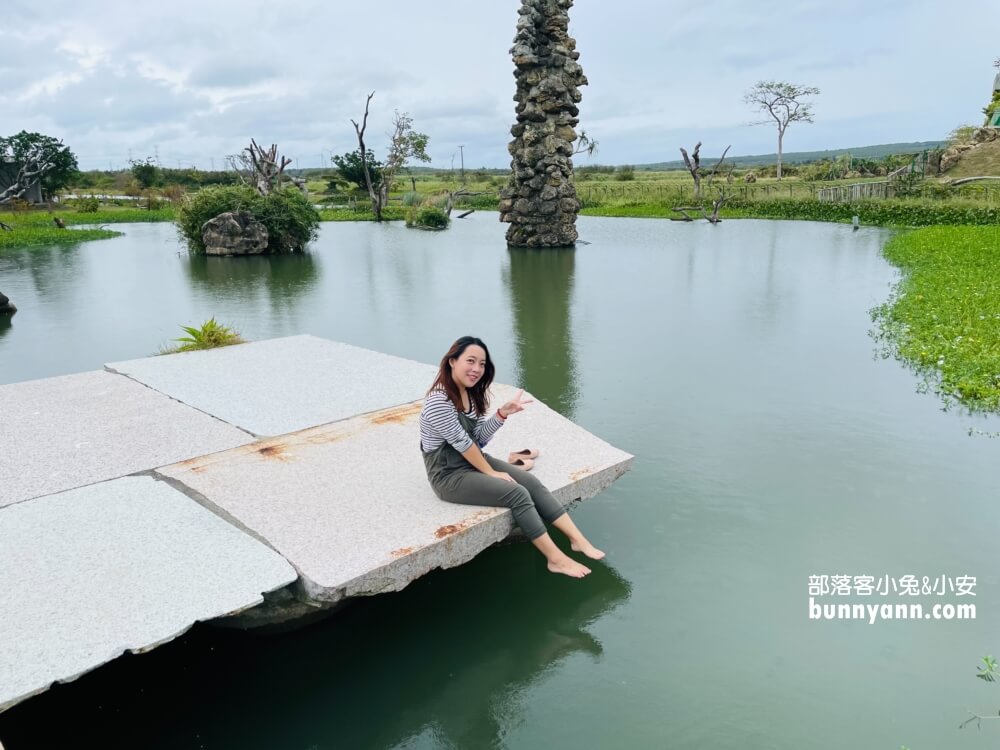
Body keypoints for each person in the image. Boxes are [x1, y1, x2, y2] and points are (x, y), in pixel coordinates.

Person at [419, 335, 605, 578]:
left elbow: (477, 441)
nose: (477, 369)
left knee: (531, 483)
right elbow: (463, 444)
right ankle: (555, 559)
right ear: (452, 361)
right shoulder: (438, 401)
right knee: (516, 493)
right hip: (447, 476)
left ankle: (577, 540)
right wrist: (491, 472)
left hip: (471, 460)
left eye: (482, 364)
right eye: (470, 361)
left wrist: (500, 415)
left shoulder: (470, 395)